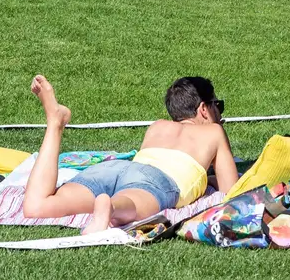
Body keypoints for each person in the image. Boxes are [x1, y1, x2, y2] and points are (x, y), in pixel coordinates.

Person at [22, 74, 239, 232]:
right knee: (131, 204)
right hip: (158, 181)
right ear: (204, 109)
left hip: (118, 169)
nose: (219, 112)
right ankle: (111, 206)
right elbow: (230, 189)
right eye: (217, 105)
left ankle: (54, 122)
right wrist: (208, 180)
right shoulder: (214, 131)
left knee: (38, 206)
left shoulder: (158, 126)